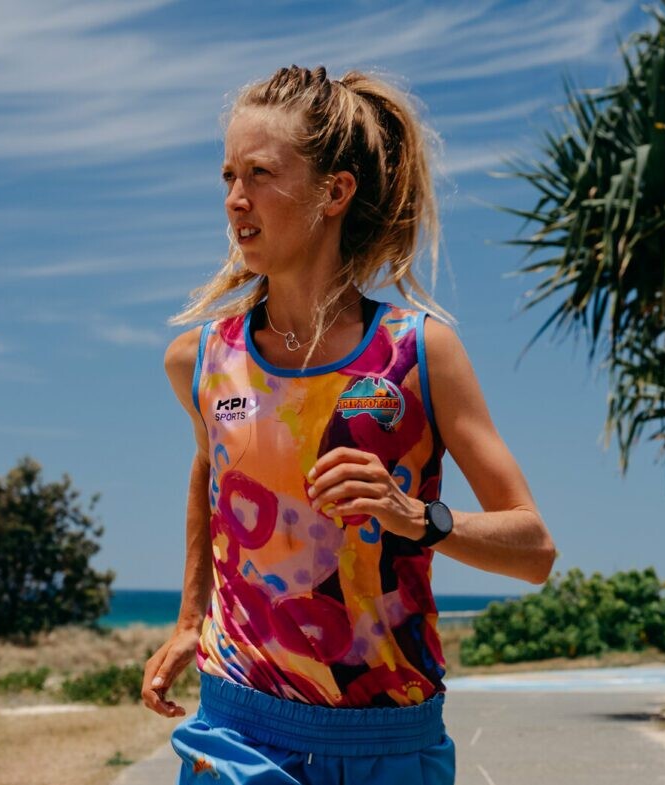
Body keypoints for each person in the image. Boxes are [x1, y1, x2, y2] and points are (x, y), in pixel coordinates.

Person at [142, 64, 557, 785]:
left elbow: (535, 550)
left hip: (388, 737)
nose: (236, 199)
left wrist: (413, 515)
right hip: (239, 727)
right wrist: (189, 619)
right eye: (229, 176)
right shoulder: (201, 362)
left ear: (334, 192)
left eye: (261, 174)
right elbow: (211, 473)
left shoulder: (420, 353)